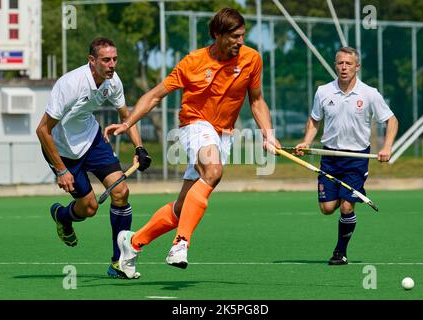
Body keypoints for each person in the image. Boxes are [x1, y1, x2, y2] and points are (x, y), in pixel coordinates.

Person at [104, 7, 281, 278]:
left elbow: (256, 100)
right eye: (234, 36)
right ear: (217, 35)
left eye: (242, 36)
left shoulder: (251, 59)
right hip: (194, 125)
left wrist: (268, 133)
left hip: (224, 134)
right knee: (213, 171)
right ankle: (180, 243)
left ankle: (133, 242)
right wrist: (128, 123)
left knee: (181, 207)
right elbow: (154, 95)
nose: (240, 42)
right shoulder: (192, 62)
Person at [36, 37, 151, 279]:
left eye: (114, 59)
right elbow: (42, 130)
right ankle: (62, 216)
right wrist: (60, 170)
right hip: (62, 150)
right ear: (92, 61)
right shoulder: (70, 84)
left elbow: (126, 117)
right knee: (89, 208)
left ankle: (119, 262)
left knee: (121, 192)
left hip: (92, 140)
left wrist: (139, 148)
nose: (112, 65)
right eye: (106, 60)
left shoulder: (113, 81)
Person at [295, 46, 398, 265]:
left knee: (346, 206)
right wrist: (306, 141)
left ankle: (340, 252)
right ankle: (343, 205)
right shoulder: (323, 91)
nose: (344, 67)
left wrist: (387, 147)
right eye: (340, 63)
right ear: (335, 65)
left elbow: (391, 120)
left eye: (348, 64)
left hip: (356, 160)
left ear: (357, 67)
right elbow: (315, 120)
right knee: (327, 208)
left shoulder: (369, 93)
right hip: (329, 158)